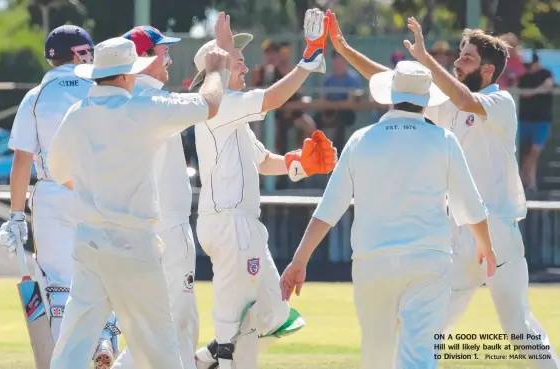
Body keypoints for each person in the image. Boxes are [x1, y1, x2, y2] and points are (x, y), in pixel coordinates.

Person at [280, 60, 496, 369]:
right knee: (419, 358)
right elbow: (472, 209)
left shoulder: (360, 140)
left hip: (372, 262)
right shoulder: (443, 140)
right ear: (426, 100)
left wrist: (299, 261)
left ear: (391, 95)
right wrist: (486, 248)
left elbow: (328, 209)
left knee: (377, 358)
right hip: (429, 261)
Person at [46, 36, 230, 369]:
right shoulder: (142, 108)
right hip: (132, 244)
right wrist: (217, 69)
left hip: (88, 241)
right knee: (160, 347)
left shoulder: (78, 113)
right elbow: (211, 103)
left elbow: (58, 170)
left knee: (72, 345)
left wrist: (98, 194)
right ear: (128, 75)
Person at [403, 18, 560, 367]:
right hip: (459, 233)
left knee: (518, 327)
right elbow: (393, 88)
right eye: (460, 54)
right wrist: (342, 48)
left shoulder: (500, 101)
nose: (458, 61)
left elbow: (463, 98)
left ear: (488, 69)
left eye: (467, 57)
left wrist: (426, 58)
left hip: (497, 230)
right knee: (432, 323)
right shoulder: (450, 107)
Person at [192, 8, 337, 369]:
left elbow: (264, 161)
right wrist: (308, 60)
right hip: (230, 224)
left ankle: (205, 358)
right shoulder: (218, 106)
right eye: (238, 61)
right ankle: (216, 356)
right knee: (236, 324)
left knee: (271, 313)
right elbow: (272, 99)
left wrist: (301, 165)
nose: (245, 66)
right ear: (218, 69)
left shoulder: (233, 117)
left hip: (239, 225)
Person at [111, 17, 233, 369]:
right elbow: (209, 104)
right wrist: (217, 65)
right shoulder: (153, 102)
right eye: (163, 52)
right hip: (168, 228)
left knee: (160, 326)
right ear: (144, 57)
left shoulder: (126, 101)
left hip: (137, 229)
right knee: (175, 324)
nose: (168, 60)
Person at [0, 24, 119, 368]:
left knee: (60, 287)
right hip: (101, 192)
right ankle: (105, 339)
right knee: (106, 276)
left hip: (52, 194)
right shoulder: (104, 89)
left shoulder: (35, 96)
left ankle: (69, 360)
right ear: (82, 53)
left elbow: (22, 159)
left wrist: (16, 214)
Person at [518, 51, 554, 195]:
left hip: (541, 121)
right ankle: (531, 184)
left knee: (535, 151)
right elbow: (521, 92)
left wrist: (533, 91)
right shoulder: (523, 77)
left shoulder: (546, 73)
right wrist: (536, 90)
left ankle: (521, 177)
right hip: (525, 119)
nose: (528, 68)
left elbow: (548, 86)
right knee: (527, 152)